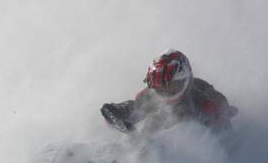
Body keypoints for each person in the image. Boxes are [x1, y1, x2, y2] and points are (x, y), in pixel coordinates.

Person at [101, 49, 237, 134]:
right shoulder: (151, 96)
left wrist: (220, 115)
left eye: (170, 87)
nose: (164, 92)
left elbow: (222, 107)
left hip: (191, 156)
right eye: (159, 88)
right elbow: (136, 108)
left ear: (184, 80)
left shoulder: (201, 97)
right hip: (149, 148)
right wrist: (119, 113)